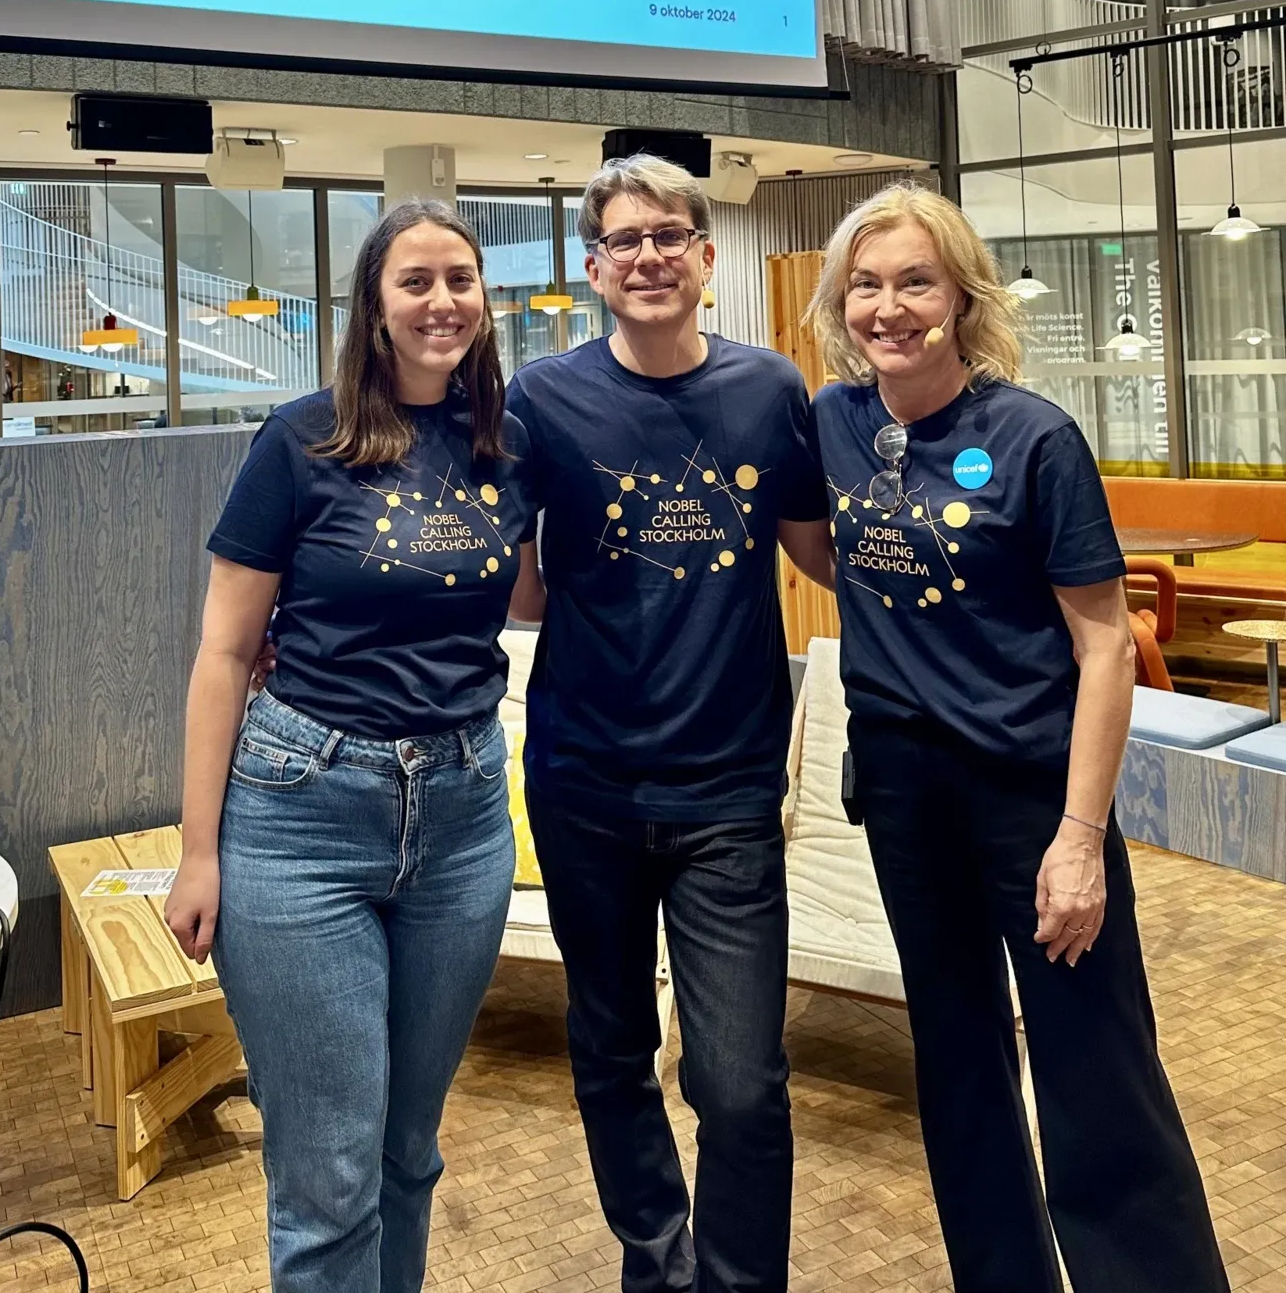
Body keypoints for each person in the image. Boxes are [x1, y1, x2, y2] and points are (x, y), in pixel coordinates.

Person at [805, 184, 1229, 1293]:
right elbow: (830, 551)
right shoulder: (836, 423)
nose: (889, 305)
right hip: (902, 790)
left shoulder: (1033, 435)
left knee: (1097, 1067)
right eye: (867, 283)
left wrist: (1080, 836)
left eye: (915, 281)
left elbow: (1105, 647)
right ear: (840, 299)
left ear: (960, 294)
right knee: (957, 1061)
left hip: (1031, 793)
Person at [166, 198, 531, 1293]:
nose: (441, 300)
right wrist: (199, 850)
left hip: (464, 814)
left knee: (406, 1153)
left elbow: (528, 591)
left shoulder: (508, 443)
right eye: (415, 281)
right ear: (374, 307)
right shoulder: (302, 438)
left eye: (459, 279)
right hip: (301, 810)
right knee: (328, 1177)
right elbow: (225, 652)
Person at [507, 153, 833, 1293]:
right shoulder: (541, 399)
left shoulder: (769, 388)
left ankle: (739, 1281)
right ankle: (658, 1260)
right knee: (608, 1050)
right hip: (585, 780)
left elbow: (817, 551)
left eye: (670, 235)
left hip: (730, 786)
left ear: (706, 256)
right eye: (624, 241)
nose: (649, 255)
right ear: (593, 269)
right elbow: (511, 576)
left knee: (743, 1078)